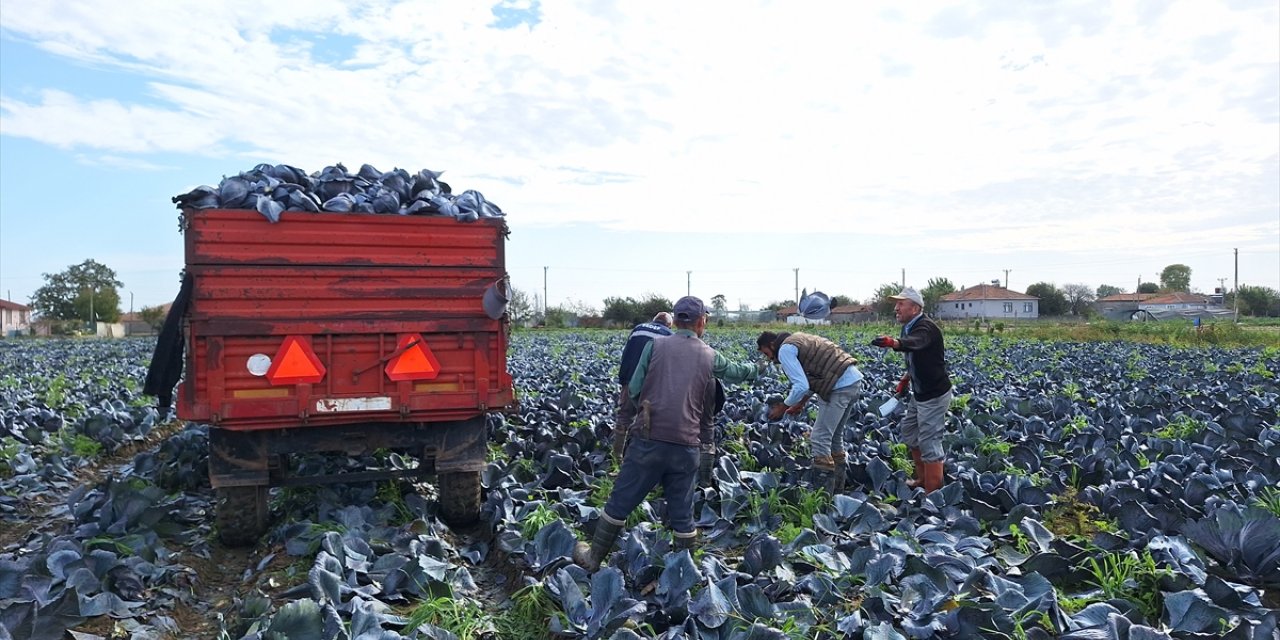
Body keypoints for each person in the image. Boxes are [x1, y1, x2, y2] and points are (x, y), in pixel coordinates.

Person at [575, 296, 747, 571]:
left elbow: (633, 389)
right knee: (682, 513)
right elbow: (738, 373)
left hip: (649, 440)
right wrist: (760, 368)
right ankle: (683, 575)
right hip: (686, 446)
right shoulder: (709, 355)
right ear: (702, 322)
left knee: (621, 500)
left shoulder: (655, 345)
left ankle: (594, 558)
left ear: (676, 321)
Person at [756, 329, 864, 493]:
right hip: (853, 381)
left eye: (767, 353)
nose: (769, 359)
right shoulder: (798, 339)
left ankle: (823, 498)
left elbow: (801, 385)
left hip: (839, 386)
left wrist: (783, 407)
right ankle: (838, 491)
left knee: (820, 438)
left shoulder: (784, 349)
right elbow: (814, 375)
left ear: (772, 344)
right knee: (835, 437)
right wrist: (801, 403)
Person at [870, 286, 953, 493]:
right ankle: (923, 478)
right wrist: (907, 378)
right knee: (909, 430)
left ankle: (933, 495)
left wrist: (893, 343)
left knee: (929, 441)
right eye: (896, 304)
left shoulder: (925, 328)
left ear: (915, 308)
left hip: (934, 395)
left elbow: (916, 343)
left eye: (900, 304)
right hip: (920, 391)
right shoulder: (909, 327)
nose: (896, 308)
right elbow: (919, 355)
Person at [611, 312, 673, 457]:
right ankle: (641, 455)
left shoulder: (638, 329)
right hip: (651, 383)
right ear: (669, 324)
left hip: (630, 377)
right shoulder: (669, 335)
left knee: (624, 416)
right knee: (647, 418)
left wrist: (623, 379)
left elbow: (626, 353)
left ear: (654, 320)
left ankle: (617, 454)